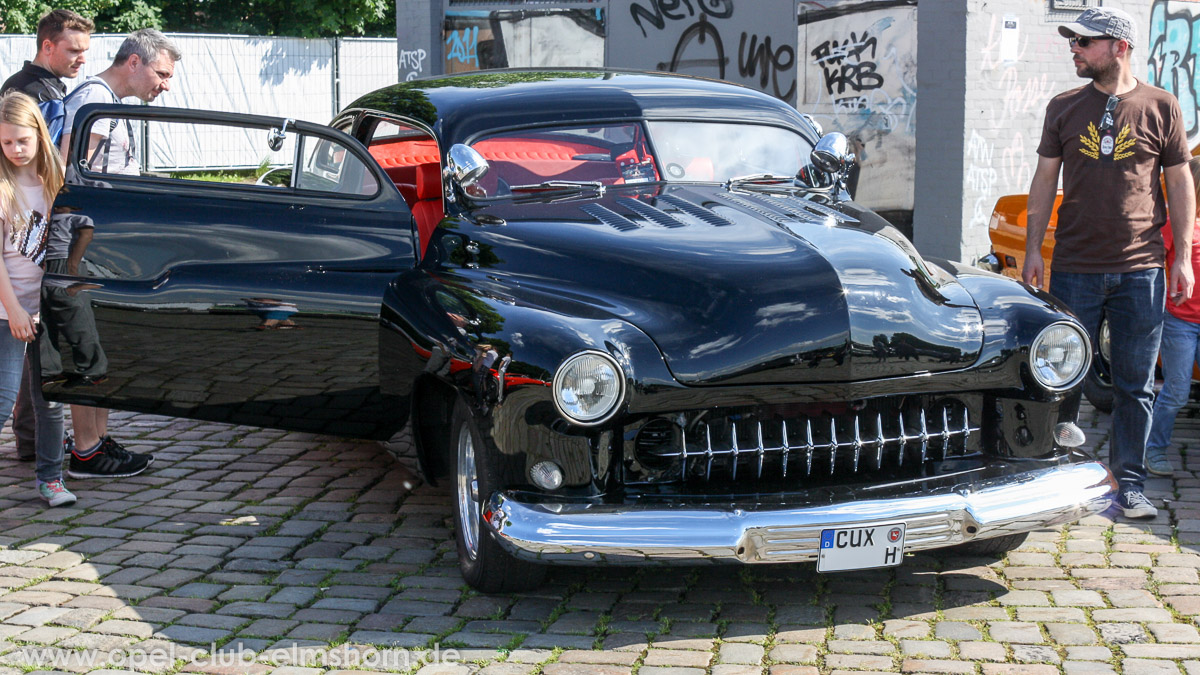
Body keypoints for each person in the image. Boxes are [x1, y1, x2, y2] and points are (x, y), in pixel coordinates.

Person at [1023, 7, 1196, 519]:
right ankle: (1058, 477)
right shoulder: (1064, 106)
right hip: (1074, 265)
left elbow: (1180, 184)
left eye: (1083, 42)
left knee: (1135, 384)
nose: (1073, 49)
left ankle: (1130, 483)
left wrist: (1181, 256)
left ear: (1119, 46)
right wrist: (1034, 248)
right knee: (1060, 377)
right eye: (1072, 41)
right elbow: (1043, 180)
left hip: (1142, 269)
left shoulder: (1161, 106)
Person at [57, 28, 180, 478]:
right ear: (134, 62)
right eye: (162, 74)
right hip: (85, 244)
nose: (165, 84)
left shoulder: (108, 104)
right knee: (87, 345)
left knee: (103, 344)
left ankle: (96, 441)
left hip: (99, 242)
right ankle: (86, 450)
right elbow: (68, 171)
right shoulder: (95, 103)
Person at [1, 9, 93, 465]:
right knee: (24, 377)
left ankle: (38, 454)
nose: (81, 60)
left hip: (35, 268)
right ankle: (32, 446)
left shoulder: (46, 87)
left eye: (84, 52)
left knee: (39, 379)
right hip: (18, 261)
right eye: (73, 50)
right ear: (47, 46)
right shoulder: (34, 94)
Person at [0, 91, 72, 505]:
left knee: (50, 399)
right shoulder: (3, 185)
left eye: (22, 141)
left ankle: (51, 478)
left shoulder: (55, 181)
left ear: (39, 136)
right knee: (5, 396)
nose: (15, 150)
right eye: (6, 142)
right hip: (8, 308)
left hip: (48, 309)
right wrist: (14, 311)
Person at [1145, 157, 1200, 477]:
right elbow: (1152, 265)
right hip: (1181, 322)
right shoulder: (1174, 224)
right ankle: (1154, 449)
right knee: (1177, 390)